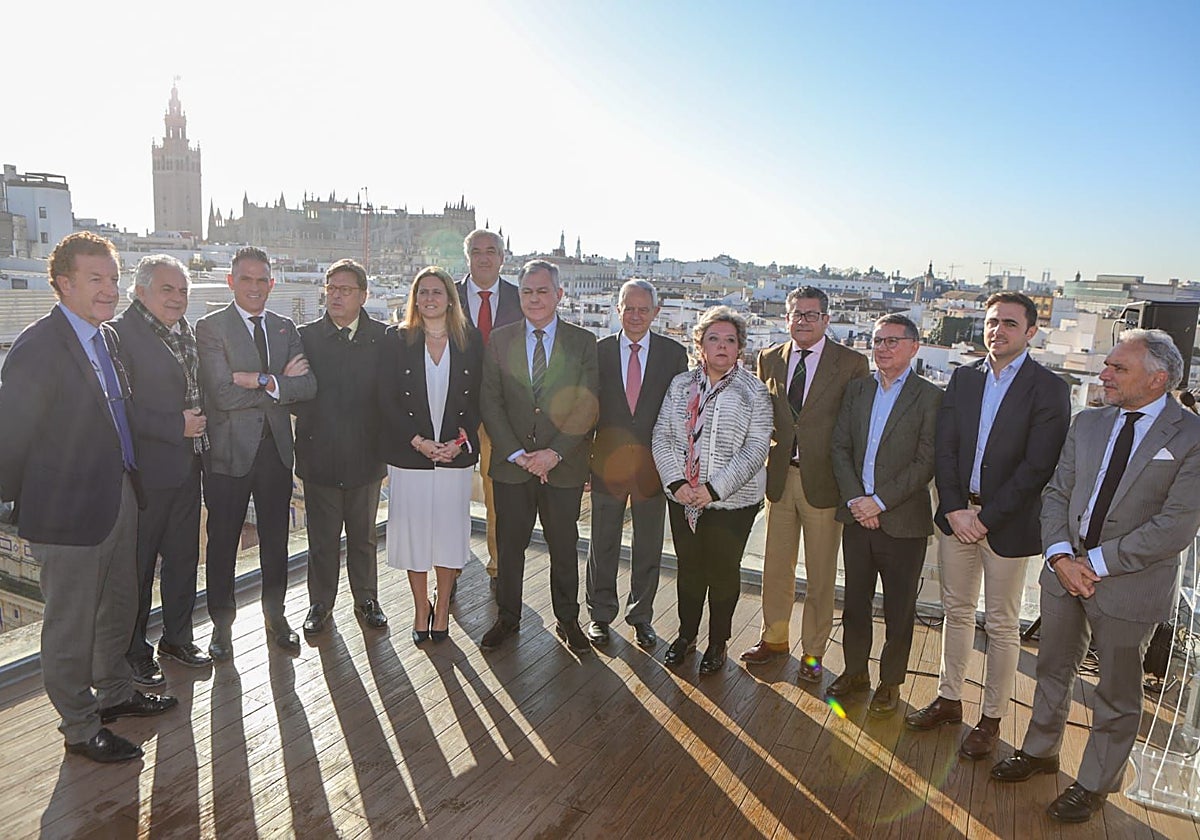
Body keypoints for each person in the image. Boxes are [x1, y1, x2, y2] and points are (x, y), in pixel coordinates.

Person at [991, 329, 1200, 822]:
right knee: (1051, 670)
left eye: (1117, 368)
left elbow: (1176, 524)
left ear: (1158, 379)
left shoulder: (1191, 437)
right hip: (1064, 574)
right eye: (1105, 364)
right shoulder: (1088, 424)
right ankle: (1041, 751)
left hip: (1131, 585)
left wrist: (1095, 565)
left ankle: (1093, 784)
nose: (1103, 375)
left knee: (1118, 693)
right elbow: (1057, 493)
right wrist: (1062, 558)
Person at [0, 232, 176, 764]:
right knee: (71, 623)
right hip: (67, 511)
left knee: (118, 608)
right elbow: (10, 436)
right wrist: (13, 507)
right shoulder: (39, 346)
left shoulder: (106, 339)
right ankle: (79, 726)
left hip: (117, 494)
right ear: (64, 283)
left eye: (114, 278)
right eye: (96, 279)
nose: (109, 289)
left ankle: (116, 693)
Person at [906, 292, 1070, 760]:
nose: (998, 331)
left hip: (1008, 525)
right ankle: (949, 698)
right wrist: (957, 507)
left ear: (1032, 331)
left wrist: (986, 518)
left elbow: (1039, 466)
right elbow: (946, 448)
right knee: (955, 611)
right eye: (992, 322)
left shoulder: (1049, 388)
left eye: (1010, 324)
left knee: (1001, 623)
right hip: (958, 516)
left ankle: (992, 717)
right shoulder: (963, 378)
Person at [742, 286, 869, 683]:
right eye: (796, 314)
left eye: (811, 314)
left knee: (820, 575)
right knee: (776, 568)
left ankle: (813, 653)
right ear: (786, 318)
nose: (803, 320)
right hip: (780, 479)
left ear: (826, 320)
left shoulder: (851, 363)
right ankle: (774, 639)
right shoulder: (769, 359)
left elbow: (856, 427)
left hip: (825, 484)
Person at [196, 246, 317, 660]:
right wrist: (278, 383)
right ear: (231, 282)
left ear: (272, 283)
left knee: (276, 541)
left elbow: (308, 387)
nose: (253, 287)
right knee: (222, 542)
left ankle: (275, 616)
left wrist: (259, 379)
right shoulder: (210, 327)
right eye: (244, 279)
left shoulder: (285, 327)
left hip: (277, 454)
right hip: (228, 456)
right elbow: (222, 394)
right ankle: (221, 627)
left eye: (261, 279)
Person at [478, 259, 599, 654]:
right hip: (512, 466)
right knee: (509, 548)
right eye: (527, 291)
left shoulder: (582, 342)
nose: (534, 298)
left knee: (564, 547)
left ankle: (568, 621)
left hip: (561, 467)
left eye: (543, 290)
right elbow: (490, 401)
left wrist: (554, 454)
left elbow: (587, 404)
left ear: (559, 295)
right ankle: (507, 619)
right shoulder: (500, 339)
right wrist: (516, 453)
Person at [827, 315, 941, 716]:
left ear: (915, 347)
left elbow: (926, 461)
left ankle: (890, 682)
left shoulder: (929, 397)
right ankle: (855, 671)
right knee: (855, 603)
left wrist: (879, 502)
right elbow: (839, 447)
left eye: (894, 341)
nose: (884, 348)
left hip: (903, 523)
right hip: (857, 516)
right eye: (877, 340)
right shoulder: (857, 391)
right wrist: (859, 499)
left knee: (899, 608)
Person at [652, 306, 772, 675]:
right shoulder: (679, 386)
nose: (722, 346)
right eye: (713, 338)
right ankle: (686, 635)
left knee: (722, 573)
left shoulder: (755, 392)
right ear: (700, 345)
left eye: (730, 340)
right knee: (689, 571)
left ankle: (718, 642)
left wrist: (712, 490)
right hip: (683, 499)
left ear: (740, 348)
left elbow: (756, 450)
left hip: (732, 504)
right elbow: (662, 437)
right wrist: (678, 484)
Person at [113, 255, 212, 686]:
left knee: (183, 558)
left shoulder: (184, 331)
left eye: (183, 290)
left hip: (189, 466)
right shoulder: (119, 335)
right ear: (141, 291)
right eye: (167, 290)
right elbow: (120, 411)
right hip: (146, 476)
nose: (177, 298)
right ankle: (133, 650)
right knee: (138, 566)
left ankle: (176, 637)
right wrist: (177, 426)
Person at [378, 267, 482, 644]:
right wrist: (417, 440)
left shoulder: (469, 339)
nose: (429, 299)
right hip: (411, 457)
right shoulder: (396, 339)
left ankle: (442, 611)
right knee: (415, 534)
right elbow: (385, 399)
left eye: (437, 292)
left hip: (455, 457)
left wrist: (460, 441)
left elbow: (478, 398)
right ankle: (421, 607)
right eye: (422, 292)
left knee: (449, 534)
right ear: (414, 298)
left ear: (450, 299)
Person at [586, 280, 688, 649]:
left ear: (656, 313)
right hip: (606, 465)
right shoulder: (597, 352)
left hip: (654, 466)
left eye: (643, 309)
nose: (635, 315)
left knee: (648, 545)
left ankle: (641, 615)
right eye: (628, 308)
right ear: (617, 310)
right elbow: (584, 412)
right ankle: (599, 614)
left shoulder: (673, 355)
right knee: (603, 542)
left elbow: (679, 416)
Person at [295, 259, 388, 635]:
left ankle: (366, 599)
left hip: (366, 458)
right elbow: (296, 396)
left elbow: (391, 398)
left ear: (363, 296)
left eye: (345, 289)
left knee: (364, 537)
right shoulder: (305, 337)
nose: (335, 295)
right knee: (322, 539)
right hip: (320, 456)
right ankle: (320, 604)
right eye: (331, 288)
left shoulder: (384, 338)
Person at [456, 229, 522, 587]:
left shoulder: (518, 297)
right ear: (467, 256)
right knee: (450, 493)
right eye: (477, 251)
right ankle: (449, 566)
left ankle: (498, 567)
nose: (484, 257)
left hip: (502, 410)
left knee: (498, 492)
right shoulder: (446, 294)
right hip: (454, 410)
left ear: (502, 257)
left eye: (491, 251)